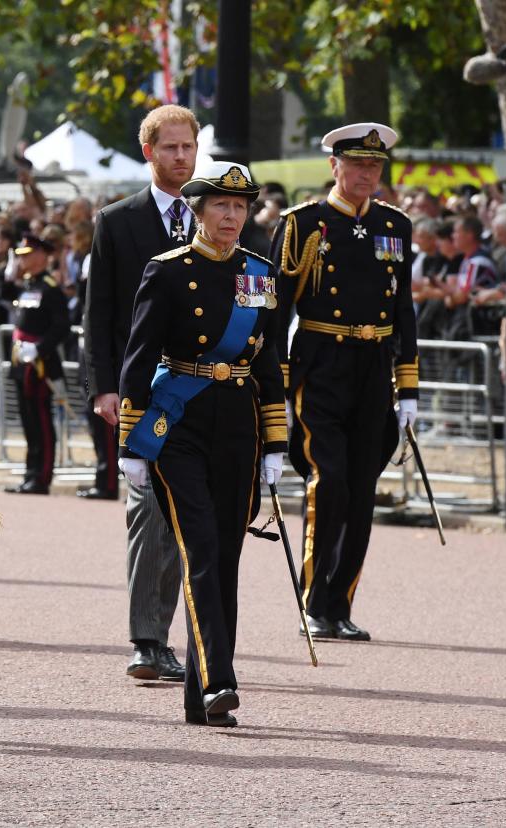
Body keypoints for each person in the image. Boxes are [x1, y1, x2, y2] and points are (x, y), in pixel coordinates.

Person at [118, 161, 286, 727]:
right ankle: (220, 679)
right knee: (200, 550)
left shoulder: (260, 274)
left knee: (227, 559)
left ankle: (201, 699)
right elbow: (139, 357)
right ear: (198, 210)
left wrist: (277, 444)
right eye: (221, 206)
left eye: (240, 207)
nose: (232, 216)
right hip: (179, 425)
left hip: (239, 424)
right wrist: (131, 444)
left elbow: (268, 363)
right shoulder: (167, 271)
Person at [271, 122, 419, 642]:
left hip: (374, 367)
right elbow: (278, 309)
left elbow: (403, 309)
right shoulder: (304, 224)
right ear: (334, 166)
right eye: (356, 164)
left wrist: (411, 387)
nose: (366, 174)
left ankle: (340, 603)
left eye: (374, 166)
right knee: (328, 480)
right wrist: (279, 385)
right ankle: (313, 599)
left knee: (360, 490)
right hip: (321, 364)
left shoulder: (395, 225)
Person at [85, 104, 200, 683]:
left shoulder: (216, 215)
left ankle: (173, 634)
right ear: (150, 152)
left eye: (189, 147)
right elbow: (99, 312)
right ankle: (146, 638)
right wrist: (104, 387)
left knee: (184, 514)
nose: (181, 157)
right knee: (146, 510)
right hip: (140, 390)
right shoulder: (117, 220)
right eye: (171, 148)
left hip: (201, 390)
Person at [4, 234, 70, 495]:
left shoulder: (50, 288)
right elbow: (8, 298)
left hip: (41, 364)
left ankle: (41, 476)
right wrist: (8, 277)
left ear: (42, 255)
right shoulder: (28, 284)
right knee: (28, 420)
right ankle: (30, 473)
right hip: (23, 362)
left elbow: (61, 327)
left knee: (41, 421)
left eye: (27, 254)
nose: (23, 260)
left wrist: (40, 348)